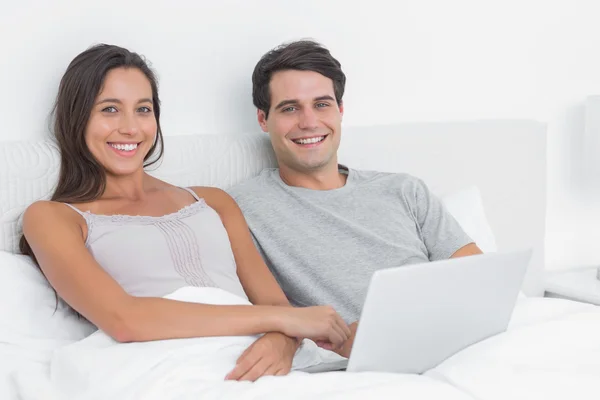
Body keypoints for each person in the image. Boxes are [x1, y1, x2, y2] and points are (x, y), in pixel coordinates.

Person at [20, 44, 351, 382]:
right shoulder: (53, 218)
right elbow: (124, 319)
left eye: (143, 109)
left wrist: (283, 341)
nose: (131, 128)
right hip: (170, 364)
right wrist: (283, 323)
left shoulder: (213, 202)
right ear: (77, 118)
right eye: (109, 110)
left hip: (257, 362)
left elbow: (277, 307)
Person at [228, 40, 483, 358]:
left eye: (322, 104)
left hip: (456, 346)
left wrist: (389, 324)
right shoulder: (239, 208)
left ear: (340, 111)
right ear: (263, 120)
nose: (309, 122)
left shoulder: (404, 190)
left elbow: (478, 281)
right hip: (363, 364)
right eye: (290, 108)